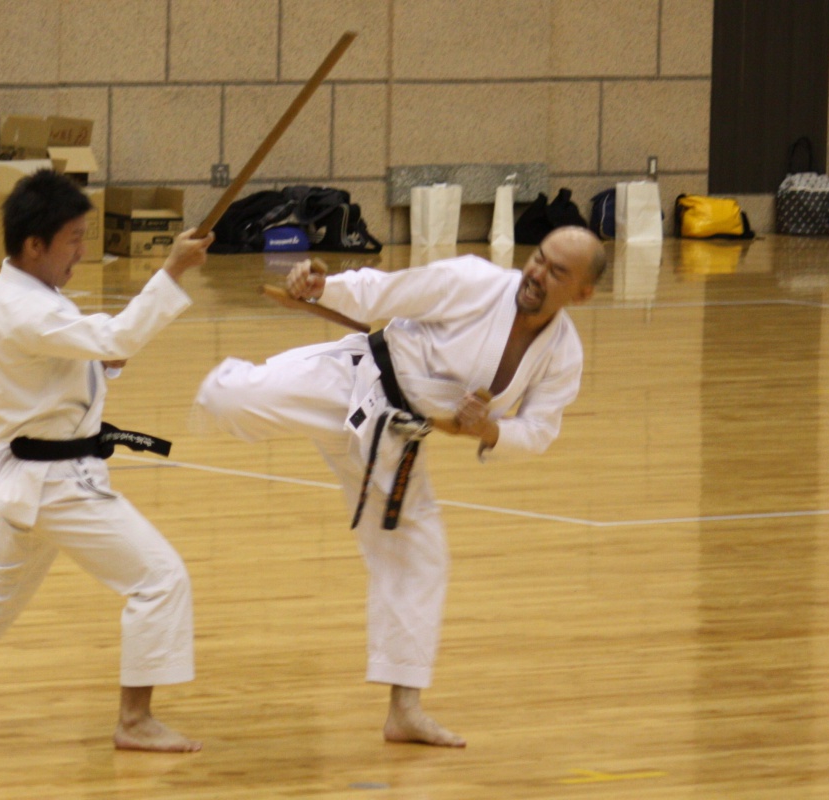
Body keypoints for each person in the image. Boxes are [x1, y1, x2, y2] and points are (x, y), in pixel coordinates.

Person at [193, 226, 606, 747]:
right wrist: (322, 287)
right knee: (225, 398)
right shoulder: (474, 282)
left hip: (396, 439)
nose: (537, 274)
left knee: (419, 558)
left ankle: (404, 711)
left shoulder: (563, 353)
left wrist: (487, 430)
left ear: (582, 293)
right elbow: (386, 290)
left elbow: (540, 430)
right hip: (352, 382)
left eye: (556, 272)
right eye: (538, 259)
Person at [0, 170, 214, 753]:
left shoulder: (27, 291)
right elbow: (112, 337)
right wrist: (171, 272)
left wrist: (100, 363)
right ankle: (135, 721)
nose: (82, 252)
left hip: (34, 477)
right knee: (160, 579)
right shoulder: (25, 306)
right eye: (74, 239)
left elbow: (76, 352)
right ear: (34, 244)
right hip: (57, 482)